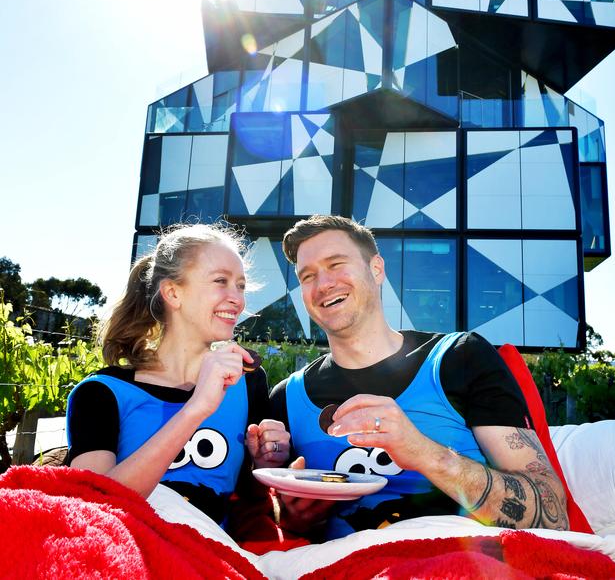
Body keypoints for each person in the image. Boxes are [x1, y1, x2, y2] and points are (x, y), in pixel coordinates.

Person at [270, 215, 569, 541]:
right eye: (307, 276)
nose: (323, 284)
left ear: (376, 269)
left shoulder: (460, 358)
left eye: (336, 264)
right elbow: (283, 529)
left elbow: (552, 516)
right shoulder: (286, 398)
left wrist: (425, 453)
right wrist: (299, 519)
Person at [66, 224, 290, 530]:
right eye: (220, 281)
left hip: (213, 560)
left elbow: (250, 501)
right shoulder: (101, 393)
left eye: (240, 285)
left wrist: (266, 463)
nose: (236, 298)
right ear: (173, 293)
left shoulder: (248, 382)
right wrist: (196, 408)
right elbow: (92, 508)